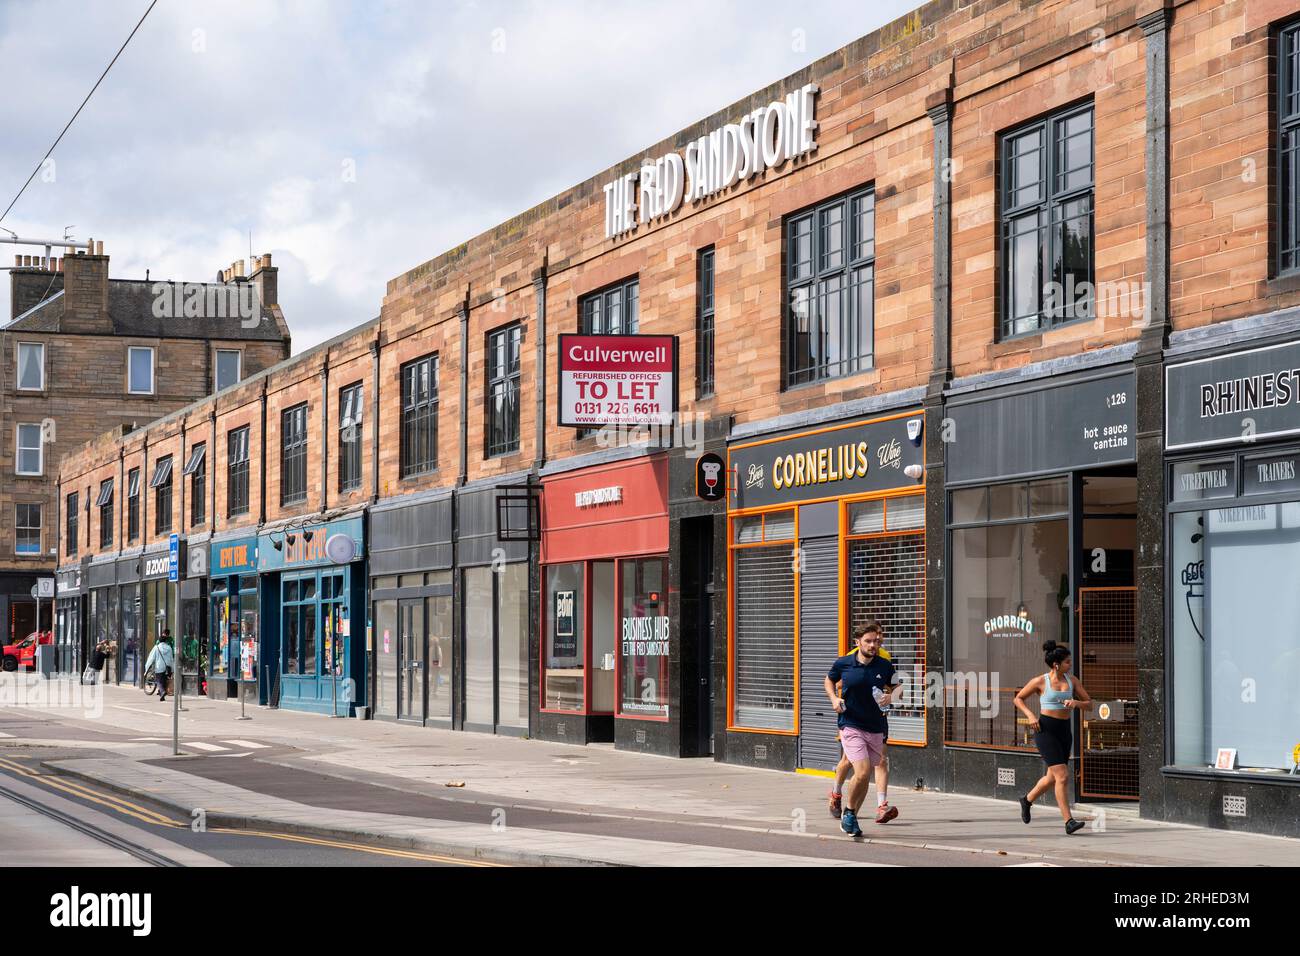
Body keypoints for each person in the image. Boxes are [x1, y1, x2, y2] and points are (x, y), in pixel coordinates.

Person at [823, 620, 899, 837]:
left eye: (876, 640)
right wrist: (833, 699)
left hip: (875, 725)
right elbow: (829, 680)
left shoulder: (884, 665)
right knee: (863, 770)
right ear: (858, 642)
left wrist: (891, 696)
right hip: (850, 723)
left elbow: (898, 687)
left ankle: (852, 814)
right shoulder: (844, 663)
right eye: (868, 641)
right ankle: (848, 812)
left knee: (868, 772)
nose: (873, 645)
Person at [1014, 639, 1093, 835]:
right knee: (1063, 776)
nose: (1070, 664)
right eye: (1067, 662)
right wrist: (1031, 715)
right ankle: (1069, 822)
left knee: (1051, 778)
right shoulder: (1040, 681)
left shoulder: (1072, 680)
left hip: (1064, 731)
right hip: (1045, 730)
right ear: (1056, 664)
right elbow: (1018, 698)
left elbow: (1089, 703)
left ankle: (1027, 800)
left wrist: (1076, 703)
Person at [828, 644, 893, 820]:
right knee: (847, 761)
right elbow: (839, 682)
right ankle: (836, 794)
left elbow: (892, 684)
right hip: (853, 718)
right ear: (860, 640)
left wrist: (889, 694)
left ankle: (882, 806)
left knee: (881, 760)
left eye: (879, 636)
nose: (875, 641)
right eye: (871, 637)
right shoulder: (851, 657)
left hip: (877, 716)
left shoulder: (885, 658)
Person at [145, 631, 176, 703]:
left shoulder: (156, 648)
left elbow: (151, 658)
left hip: (159, 667)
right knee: (165, 681)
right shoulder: (169, 648)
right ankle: (162, 696)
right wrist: (172, 669)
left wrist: (147, 668)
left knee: (159, 681)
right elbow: (171, 659)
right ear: (165, 641)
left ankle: (162, 692)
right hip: (167, 667)